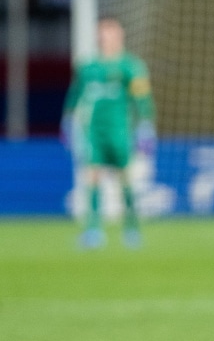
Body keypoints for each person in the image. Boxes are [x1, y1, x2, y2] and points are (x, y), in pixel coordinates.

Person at [61, 17, 157, 249]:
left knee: (125, 176)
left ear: (120, 36)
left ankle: (132, 227)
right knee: (91, 175)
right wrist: (67, 118)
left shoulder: (131, 66)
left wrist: (146, 123)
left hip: (120, 129)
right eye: (103, 34)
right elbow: (75, 94)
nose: (106, 38)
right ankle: (93, 229)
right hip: (93, 130)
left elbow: (142, 98)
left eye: (111, 34)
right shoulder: (88, 66)